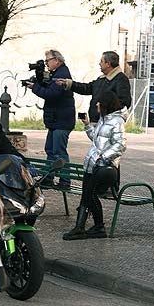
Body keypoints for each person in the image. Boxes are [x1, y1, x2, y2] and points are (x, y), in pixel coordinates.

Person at [62, 90, 127, 241]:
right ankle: (82, 227)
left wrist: (102, 158)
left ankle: (97, 227)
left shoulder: (117, 121)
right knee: (86, 195)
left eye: (99, 102)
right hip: (92, 165)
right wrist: (87, 125)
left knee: (89, 195)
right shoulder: (103, 120)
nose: (97, 104)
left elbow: (120, 145)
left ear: (106, 104)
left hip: (105, 168)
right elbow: (97, 140)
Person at [27, 49, 74, 190]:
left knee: (59, 151)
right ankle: (48, 178)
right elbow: (48, 87)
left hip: (61, 121)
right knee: (50, 150)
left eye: (48, 61)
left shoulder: (62, 75)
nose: (46, 63)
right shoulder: (56, 73)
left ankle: (65, 181)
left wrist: (35, 87)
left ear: (57, 60)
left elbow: (52, 94)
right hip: (56, 120)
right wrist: (38, 81)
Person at [60, 51, 132, 123]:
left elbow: (124, 102)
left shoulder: (121, 79)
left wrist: (105, 110)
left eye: (101, 61)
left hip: (109, 122)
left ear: (108, 64)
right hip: (96, 122)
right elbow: (87, 88)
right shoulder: (102, 79)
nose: (99, 64)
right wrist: (69, 83)